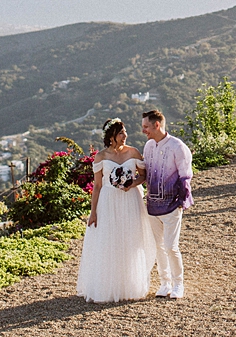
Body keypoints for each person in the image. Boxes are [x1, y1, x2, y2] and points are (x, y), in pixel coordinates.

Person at [75, 118, 156, 303]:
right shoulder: (101, 157)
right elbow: (96, 186)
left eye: (125, 132)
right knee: (110, 241)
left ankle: (130, 285)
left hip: (130, 200)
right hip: (108, 201)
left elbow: (143, 175)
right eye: (121, 133)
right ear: (111, 136)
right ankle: (109, 287)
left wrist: (131, 183)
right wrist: (93, 212)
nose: (125, 135)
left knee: (130, 239)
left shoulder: (133, 152)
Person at [141, 108, 194, 299]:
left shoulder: (178, 147)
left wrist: (181, 202)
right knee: (159, 246)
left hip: (172, 205)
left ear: (157, 124)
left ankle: (178, 284)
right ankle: (165, 283)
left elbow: (185, 176)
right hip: (152, 206)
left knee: (171, 246)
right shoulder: (148, 147)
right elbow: (145, 173)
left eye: (146, 126)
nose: (143, 131)